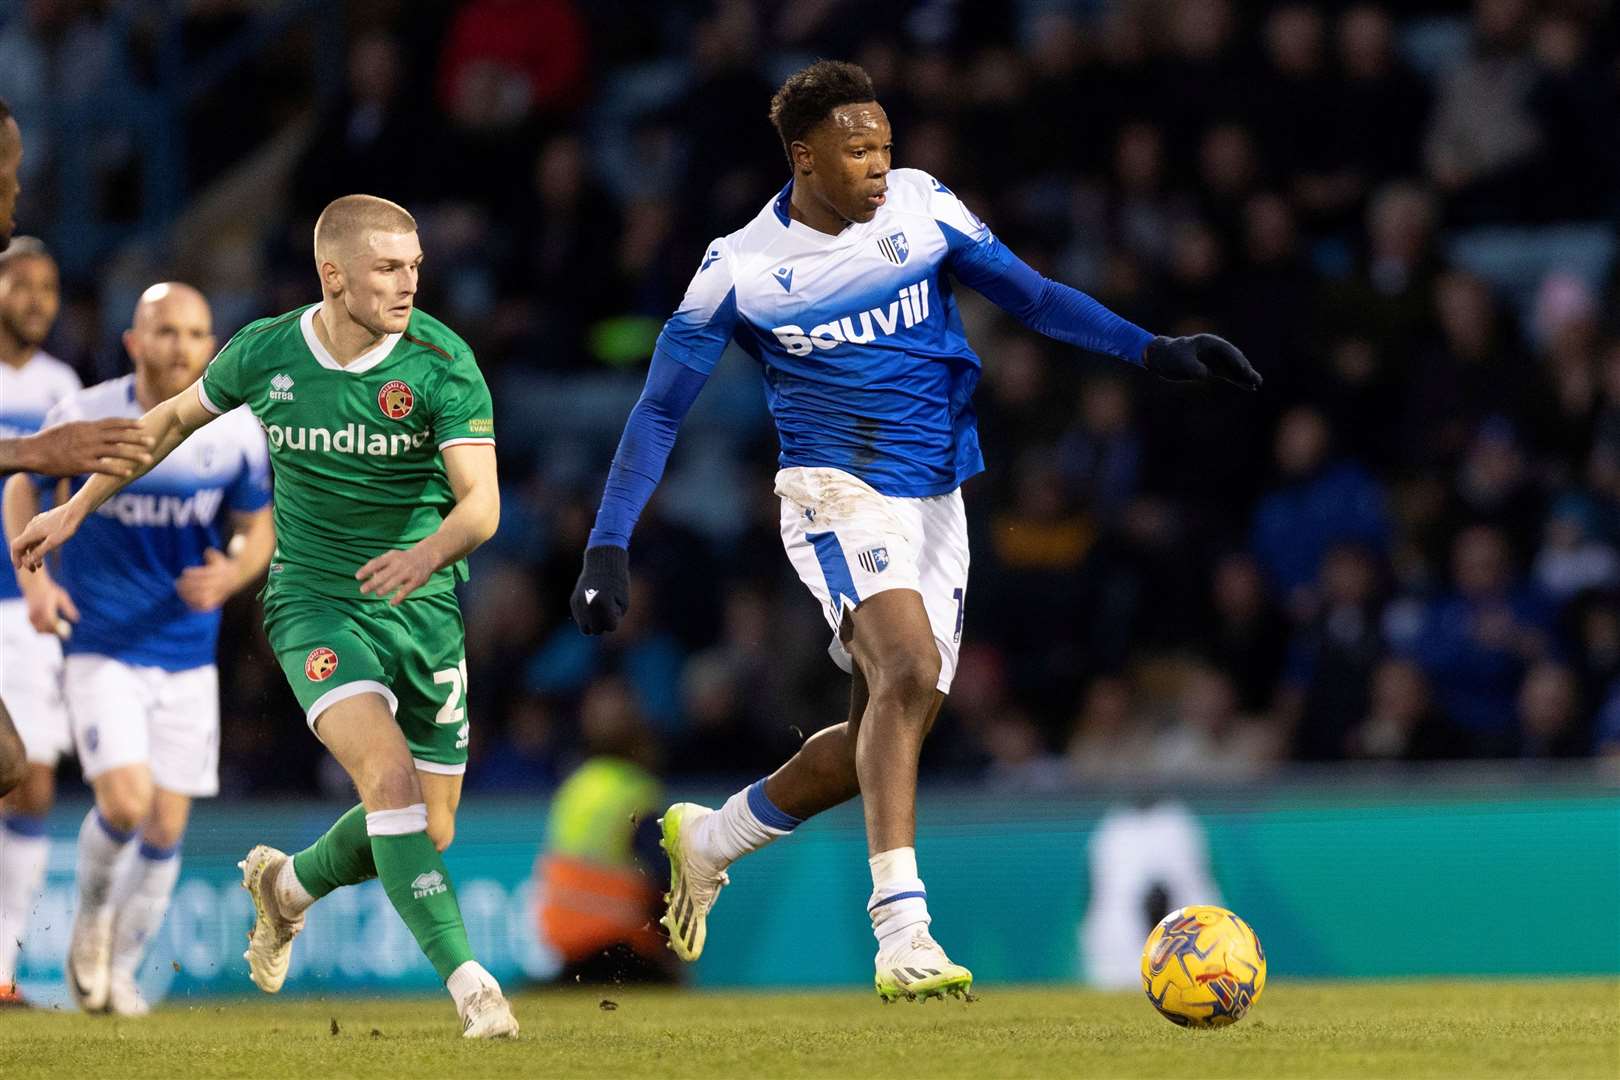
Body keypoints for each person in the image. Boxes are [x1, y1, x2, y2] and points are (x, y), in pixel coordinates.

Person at [570, 60, 1260, 1002]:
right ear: (804, 157)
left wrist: (1155, 350)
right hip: (831, 489)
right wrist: (610, 541)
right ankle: (903, 932)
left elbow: (1037, 297)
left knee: (889, 727)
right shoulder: (740, 269)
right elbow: (658, 414)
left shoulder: (924, 208)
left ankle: (713, 837)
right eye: (858, 152)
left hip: (939, 495)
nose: (879, 168)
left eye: (886, 148)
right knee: (904, 669)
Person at [10, 195, 516, 1037]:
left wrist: (427, 556)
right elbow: (164, 425)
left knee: (431, 823)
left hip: (421, 604)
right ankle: (471, 985)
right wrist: (75, 512)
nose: (409, 283)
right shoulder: (268, 351)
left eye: (415, 267)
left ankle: (286, 888)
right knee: (384, 780)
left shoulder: (442, 360)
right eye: (389, 268)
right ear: (334, 274)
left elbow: (483, 506)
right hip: (315, 606)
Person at [3, 282, 272, 1015]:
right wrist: (33, 587)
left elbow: (258, 526)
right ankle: (89, 924)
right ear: (134, 342)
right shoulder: (86, 414)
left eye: (195, 332)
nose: (181, 346)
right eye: (166, 332)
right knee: (124, 803)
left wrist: (233, 571)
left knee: (166, 825)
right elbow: (22, 489)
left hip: (186, 653)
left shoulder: (236, 432)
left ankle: (119, 974)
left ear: (211, 343)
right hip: (101, 644)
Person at [0, 100, 151, 805]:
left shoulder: (63, 381)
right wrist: (34, 448)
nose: (19, 185)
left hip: (20, 592)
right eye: (9, 166)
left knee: (16, 770)